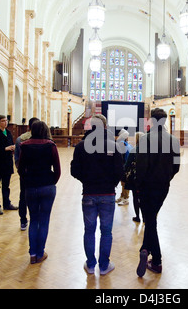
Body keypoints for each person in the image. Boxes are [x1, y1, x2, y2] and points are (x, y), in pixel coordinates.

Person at [71, 114, 124, 275]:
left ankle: (91, 264)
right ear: (105, 128)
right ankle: (104, 266)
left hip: (88, 193)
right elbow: (119, 171)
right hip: (108, 194)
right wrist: (111, 184)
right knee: (106, 231)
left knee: (89, 230)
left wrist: (86, 181)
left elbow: (74, 170)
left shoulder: (81, 146)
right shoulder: (113, 146)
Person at [135, 108, 180, 277]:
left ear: (152, 121)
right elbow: (176, 166)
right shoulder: (173, 140)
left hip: (147, 187)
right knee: (151, 218)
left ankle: (155, 258)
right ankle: (147, 251)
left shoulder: (146, 140)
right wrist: (166, 177)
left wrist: (139, 186)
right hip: (163, 187)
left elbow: (141, 167)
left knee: (150, 220)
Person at [18, 121, 61, 264]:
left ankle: (32, 253)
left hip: (31, 186)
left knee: (33, 219)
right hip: (47, 186)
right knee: (44, 220)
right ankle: (40, 252)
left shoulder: (25, 145)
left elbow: (20, 168)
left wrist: (27, 181)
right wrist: (52, 182)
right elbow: (58, 169)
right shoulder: (51, 145)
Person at [14, 117, 40, 230]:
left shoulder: (20, 139)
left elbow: (16, 159)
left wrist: (21, 171)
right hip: (39, 174)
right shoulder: (43, 140)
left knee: (23, 196)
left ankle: (23, 220)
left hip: (24, 173)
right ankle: (35, 219)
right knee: (37, 197)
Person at [124, 131, 145, 222]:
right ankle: (145, 217)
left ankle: (137, 216)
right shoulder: (149, 150)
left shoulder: (134, 150)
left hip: (135, 178)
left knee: (135, 197)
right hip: (145, 178)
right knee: (144, 198)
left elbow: (127, 165)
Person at [116, 128, 133, 206]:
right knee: (123, 182)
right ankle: (122, 196)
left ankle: (125, 198)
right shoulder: (125, 143)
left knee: (125, 182)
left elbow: (121, 156)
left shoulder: (122, 143)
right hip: (125, 165)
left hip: (124, 165)